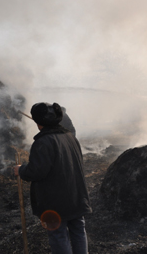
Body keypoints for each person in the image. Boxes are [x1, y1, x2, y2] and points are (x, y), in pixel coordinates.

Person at [14, 102, 92, 254]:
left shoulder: (43, 142)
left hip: (55, 201)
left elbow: (36, 171)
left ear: (38, 123)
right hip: (76, 195)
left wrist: (21, 170)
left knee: (58, 235)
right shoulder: (70, 137)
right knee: (78, 231)